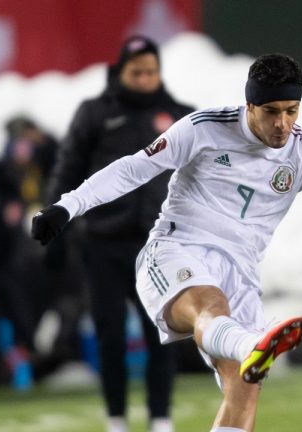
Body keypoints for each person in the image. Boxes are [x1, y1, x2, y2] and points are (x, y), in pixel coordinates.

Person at [32, 53, 302, 432]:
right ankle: (247, 344)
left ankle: (247, 350)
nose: (282, 123)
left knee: (244, 387)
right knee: (211, 306)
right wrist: (66, 207)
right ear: (250, 105)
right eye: (272, 111)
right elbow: (132, 168)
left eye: (292, 111)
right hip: (177, 250)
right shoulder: (203, 128)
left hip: (241, 272)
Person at [46, 35, 195, 432]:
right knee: (109, 335)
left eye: (151, 72)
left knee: (162, 331)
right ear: (120, 72)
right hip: (103, 243)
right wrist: (55, 223)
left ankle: (161, 417)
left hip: (160, 245)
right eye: (137, 72)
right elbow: (68, 170)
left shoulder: (180, 117)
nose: (145, 79)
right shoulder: (95, 114)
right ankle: (116, 418)